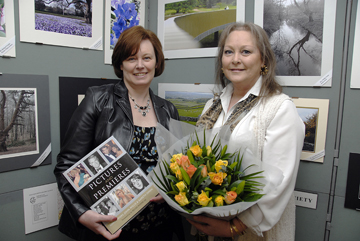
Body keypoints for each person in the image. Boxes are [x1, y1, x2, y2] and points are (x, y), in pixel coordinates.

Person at [54, 25, 184, 241]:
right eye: (132, 58)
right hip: (109, 228)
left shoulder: (168, 110)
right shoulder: (98, 100)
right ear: (121, 64)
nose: (140, 65)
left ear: (157, 62)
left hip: (159, 227)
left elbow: (177, 168)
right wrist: (81, 213)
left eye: (147, 58)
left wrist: (169, 189)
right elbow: (66, 165)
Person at [189, 22, 305, 241]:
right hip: (207, 229)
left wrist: (234, 227)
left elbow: (278, 184)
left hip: (251, 234)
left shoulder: (279, 109)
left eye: (246, 52)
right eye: (228, 52)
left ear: (263, 60)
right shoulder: (211, 106)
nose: (235, 59)